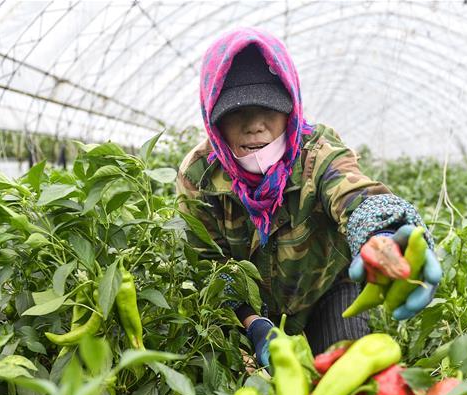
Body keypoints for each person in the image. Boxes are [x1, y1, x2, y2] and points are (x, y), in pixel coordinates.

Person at [176, 28, 441, 368]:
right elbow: (208, 264)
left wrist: (386, 235)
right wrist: (251, 322)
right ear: (214, 119)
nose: (255, 125)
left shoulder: (317, 152)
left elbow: (356, 194)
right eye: (237, 112)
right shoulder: (199, 176)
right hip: (248, 306)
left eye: (269, 109)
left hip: (325, 290)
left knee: (346, 377)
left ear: (291, 108)